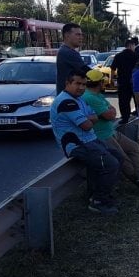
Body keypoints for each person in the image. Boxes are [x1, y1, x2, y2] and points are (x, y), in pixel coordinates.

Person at [51, 71, 120, 215]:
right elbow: (88, 125)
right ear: (67, 83)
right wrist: (89, 119)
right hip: (77, 145)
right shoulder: (66, 102)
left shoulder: (79, 99)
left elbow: (92, 118)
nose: (81, 87)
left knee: (117, 157)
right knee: (110, 164)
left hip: (90, 140)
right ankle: (99, 201)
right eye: (77, 83)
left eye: (84, 84)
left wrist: (89, 119)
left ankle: (94, 195)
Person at [82, 70, 139, 194]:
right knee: (123, 159)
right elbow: (110, 115)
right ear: (99, 82)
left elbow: (111, 111)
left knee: (134, 147)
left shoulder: (98, 95)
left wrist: (110, 111)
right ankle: (137, 181)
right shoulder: (89, 97)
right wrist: (109, 111)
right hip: (102, 135)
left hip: (111, 131)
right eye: (102, 80)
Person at [55, 23, 91, 94]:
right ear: (67, 35)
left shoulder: (65, 50)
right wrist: (102, 76)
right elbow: (87, 72)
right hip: (68, 96)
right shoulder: (67, 52)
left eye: (81, 35)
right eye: (78, 34)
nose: (81, 37)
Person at [110, 39, 138, 123]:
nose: (134, 48)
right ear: (131, 45)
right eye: (134, 46)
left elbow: (112, 69)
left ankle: (125, 117)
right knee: (137, 99)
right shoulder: (136, 56)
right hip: (135, 82)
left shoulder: (118, 56)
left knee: (123, 101)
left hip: (122, 81)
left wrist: (111, 79)